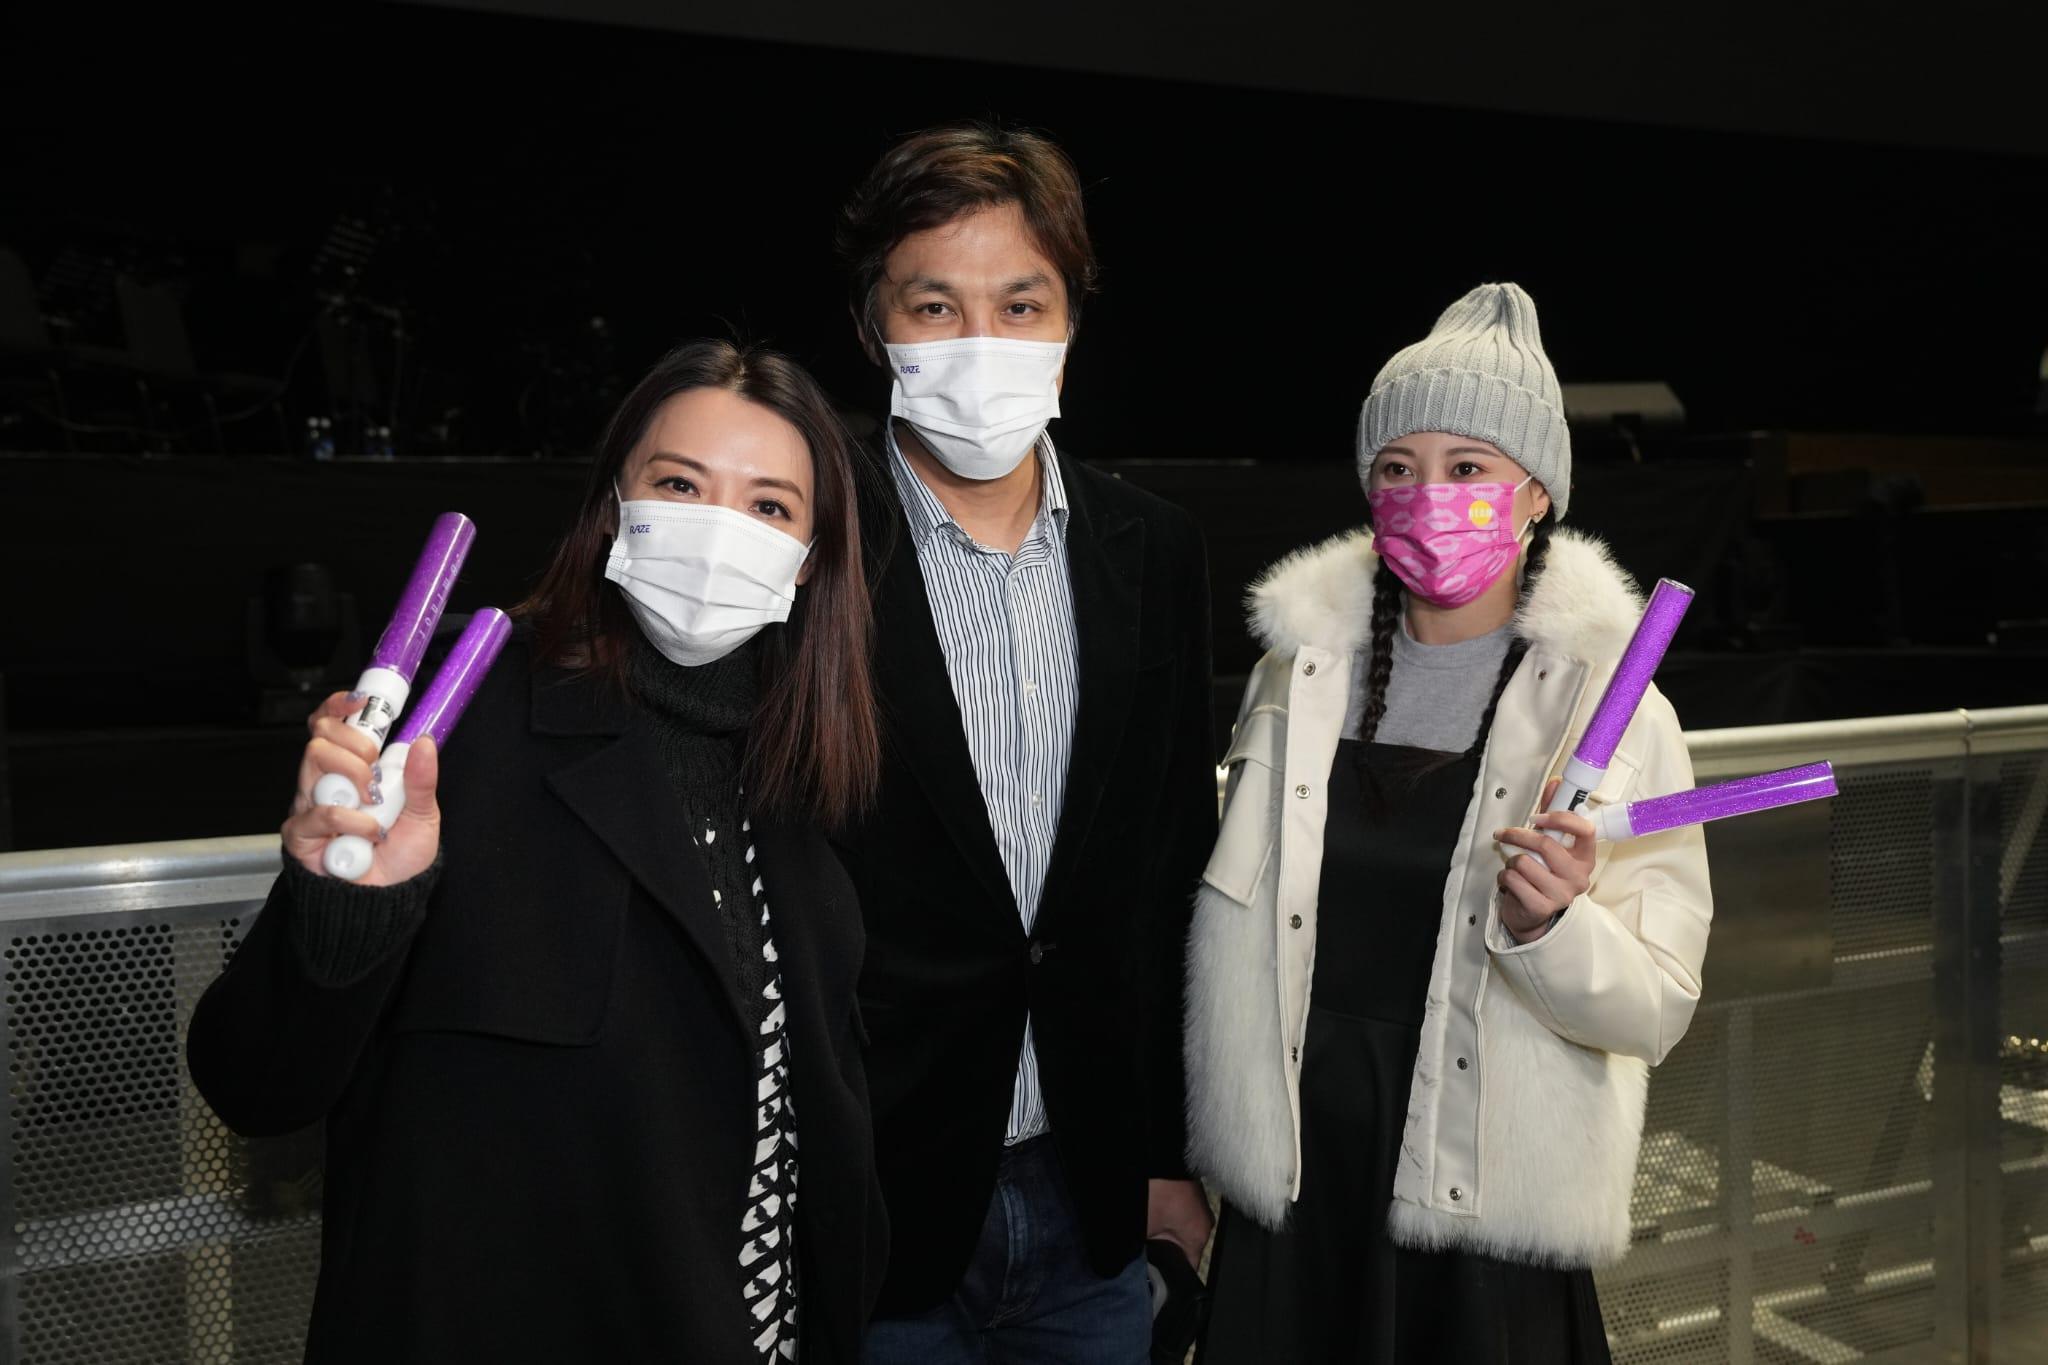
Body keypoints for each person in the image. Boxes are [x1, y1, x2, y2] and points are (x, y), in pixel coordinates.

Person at [188, 340, 888, 1364]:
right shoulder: (461, 723)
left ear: (813, 556)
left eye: (769, 506)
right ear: (613, 507)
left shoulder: (806, 774)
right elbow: (256, 1084)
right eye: (679, 484)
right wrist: (344, 908)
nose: (718, 530)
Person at [1185, 284, 1715, 1363]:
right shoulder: (1293, 678)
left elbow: (1657, 1005)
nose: (1427, 495)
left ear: (1535, 494)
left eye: (1467, 467)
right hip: (1294, 1185)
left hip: (1479, 1215)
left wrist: (1552, 928)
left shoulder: (1612, 713)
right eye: (1397, 468)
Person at [830, 123, 1218, 1363]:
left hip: (1088, 1193)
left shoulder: (1151, 548)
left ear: (1070, 322)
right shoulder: (805, 540)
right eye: (933, 305)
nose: (980, 341)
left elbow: (1171, 863)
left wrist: (1168, 1153)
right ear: (872, 327)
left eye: (1019, 304)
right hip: (865, 1196)